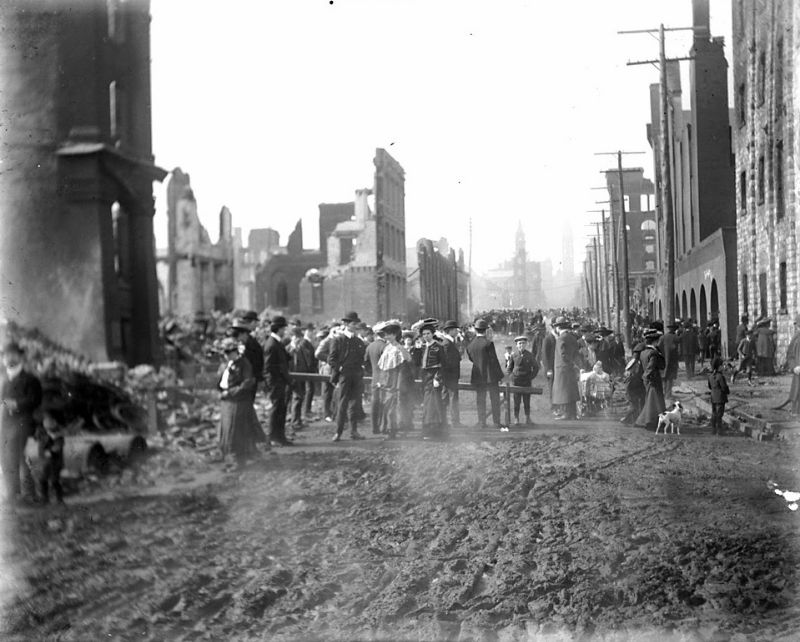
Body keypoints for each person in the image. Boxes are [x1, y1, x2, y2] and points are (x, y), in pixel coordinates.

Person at [1, 341, 42, 503]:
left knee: (15, 452)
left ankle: (28, 493)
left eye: (12, 354)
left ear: (20, 357)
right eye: (6, 355)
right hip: (5, 422)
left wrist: (17, 404)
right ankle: (14, 493)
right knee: (5, 456)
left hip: (23, 421)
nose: (8, 358)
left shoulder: (30, 379)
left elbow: (36, 399)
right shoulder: (5, 380)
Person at [218, 337, 260, 467]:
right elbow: (220, 380)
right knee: (226, 431)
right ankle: (229, 457)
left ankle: (239, 460)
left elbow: (247, 382)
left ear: (234, 352)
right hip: (227, 402)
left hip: (239, 402)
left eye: (228, 353)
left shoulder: (244, 363)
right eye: (224, 353)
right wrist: (221, 391)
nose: (225, 356)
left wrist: (230, 392)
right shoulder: (227, 364)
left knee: (236, 431)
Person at [328, 311, 367, 441]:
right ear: (346, 324)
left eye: (356, 323)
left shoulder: (358, 341)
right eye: (353, 323)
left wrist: (361, 368)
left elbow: (362, 358)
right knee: (342, 404)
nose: (356, 325)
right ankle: (338, 432)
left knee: (354, 404)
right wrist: (339, 368)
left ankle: (353, 432)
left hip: (356, 376)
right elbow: (331, 359)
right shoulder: (338, 340)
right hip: (344, 376)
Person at [375, 321, 411, 440]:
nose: (386, 337)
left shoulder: (399, 349)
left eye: (389, 334)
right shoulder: (387, 348)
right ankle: (390, 429)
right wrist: (382, 380)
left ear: (395, 335)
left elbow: (404, 367)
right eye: (385, 334)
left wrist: (399, 385)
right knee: (387, 407)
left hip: (397, 382)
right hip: (388, 382)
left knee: (397, 407)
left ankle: (397, 430)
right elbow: (384, 367)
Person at [467, 319, 505, 429]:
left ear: (475, 329)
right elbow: (494, 360)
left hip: (478, 376)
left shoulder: (470, 345)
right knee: (495, 399)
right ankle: (496, 422)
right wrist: (500, 375)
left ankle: (481, 422)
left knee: (480, 399)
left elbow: (471, 359)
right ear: (486, 330)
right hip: (490, 376)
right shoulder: (488, 344)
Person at [263, 316, 293, 447]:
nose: (285, 331)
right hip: (276, 382)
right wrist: (274, 384)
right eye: (283, 328)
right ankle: (273, 437)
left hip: (280, 382)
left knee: (281, 409)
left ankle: (280, 437)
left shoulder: (277, 343)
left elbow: (285, 359)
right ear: (279, 329)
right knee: (276, 410)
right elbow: (268, 368)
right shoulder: (272, 344)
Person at [417, 321, 445, 440]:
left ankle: (435, 431)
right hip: (425, 377)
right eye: (424, 334)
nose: (426, 336)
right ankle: (428, 429)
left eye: (428, 333)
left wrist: (437, 377)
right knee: (427, 404)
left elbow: (443, 364)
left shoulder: (438, 346)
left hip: (434, 376)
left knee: (434, 404)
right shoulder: (422, 347)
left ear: (432, 334)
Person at [635, 328, 666, 431]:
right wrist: (648, 377)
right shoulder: (653, 353)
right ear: (654, 341)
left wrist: (645, 377)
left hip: (647, 379)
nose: (658, 343)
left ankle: (652, 421)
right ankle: (649, 421)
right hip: (653, 379)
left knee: (651, 400)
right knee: (654, 401)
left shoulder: (643, 352)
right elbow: (652, 368)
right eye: (658, 341)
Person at [32, 408, 65, 504]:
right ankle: (45, 499)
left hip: (55, 461)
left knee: (54, 480)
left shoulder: (58, 433)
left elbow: (59, 445)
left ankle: (59, 499)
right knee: (42, 479)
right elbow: (36, 438)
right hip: (44, 460)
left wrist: (51, 451)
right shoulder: (41, 430)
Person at [287, 326, 316, 429]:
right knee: (295, 399)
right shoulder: (288, 349)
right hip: (291, 378)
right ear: (292, 337)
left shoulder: (300, 348)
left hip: (301, 377)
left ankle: (297, 420)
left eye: (299, 337)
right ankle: (294, 422)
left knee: (299, 399)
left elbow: (305, 362)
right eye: (296, 337)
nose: (298, 339)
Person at [552, 317, 580, 420]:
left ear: (558, 328)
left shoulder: (561, 339)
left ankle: (566, 414)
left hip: (562, 368)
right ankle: (573, 414)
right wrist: (574, 363)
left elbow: (562, 355)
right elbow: (576, 353)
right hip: (571, 367)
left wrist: (568, 362)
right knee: (571, 391)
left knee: (563, 392)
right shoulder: (572, 338)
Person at [506, 335, 538, 425]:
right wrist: (511, 377)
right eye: (519, 343)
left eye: (523, 343)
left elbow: (536, 367)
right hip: (517, 382)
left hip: (526, 381)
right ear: (516, 345)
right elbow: (509, 368)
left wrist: (531, 377)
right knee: (517, 401)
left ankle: (528, 418)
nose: (521, 345)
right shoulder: (514, 355)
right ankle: (516, 418)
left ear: (526, 344)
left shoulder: (530, 355)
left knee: (526, 401)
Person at [364, 324, 387, 435]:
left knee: (374, 403)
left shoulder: (370, 346)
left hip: (374, 377)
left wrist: (373, 372)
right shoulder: (385, 346)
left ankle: (374, 428)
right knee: (383, 402)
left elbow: (366, 363)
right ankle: (382, 426)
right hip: (384, 379)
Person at [439, 320, 462, 428]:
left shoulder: (449, 342)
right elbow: (447, 362)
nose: (457, 331)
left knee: (446, 399)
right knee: (452, 399)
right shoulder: (447, 343)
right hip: (450, 377)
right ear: (451, 331)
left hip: (449, 376)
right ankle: (454, 422)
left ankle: (443, 421)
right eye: (455, 329)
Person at [398, 331, 420, 432]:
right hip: (402, 378)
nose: (409, 341)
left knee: (411, 401)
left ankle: (409, 422)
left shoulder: (416, 350)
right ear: (404, 340)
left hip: (412, 378)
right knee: (402, 402)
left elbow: (417, 364)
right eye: (407, 339)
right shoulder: (400, 350)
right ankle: (402, 422)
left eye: (410, 339)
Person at [620, 343, 646, 425]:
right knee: (635, 405)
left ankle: (633, 420)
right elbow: (637, 374)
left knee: (635, 404)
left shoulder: (633, 361)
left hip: (632, 385)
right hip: (634, 385)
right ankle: (627, 419)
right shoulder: (637, 363)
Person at [314, 326, 336, 422]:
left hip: (332, 369)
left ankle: (332, 412)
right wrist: (330, 360)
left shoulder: (333, 341)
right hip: (327, 370)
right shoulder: (327, 342)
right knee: (327, 393)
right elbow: (318, 355)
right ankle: (327, 413)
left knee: (333, 392)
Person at [782, 315, 800, 415]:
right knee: (797, 393)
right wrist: (794, 367)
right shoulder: (796, 338)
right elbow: (790, 355)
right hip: (798, 371)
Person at [707, 357, 730, 435]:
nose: (723, 367)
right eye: (722, 365)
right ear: (718, 366)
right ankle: (719, 431)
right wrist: (727, 391)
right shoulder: (720, 376)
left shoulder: (710, 376)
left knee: (714, 413)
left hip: (713, 397)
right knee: (719, 414)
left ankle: (713, 429)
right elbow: (724, 387)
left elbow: (709, 387)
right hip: (720, 398)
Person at [658, 322, 681, 400]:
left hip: (664, 360)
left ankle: (664, 393)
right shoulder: (675, 337)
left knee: (664, 377)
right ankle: (668, 395)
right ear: (674, 330)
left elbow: (658, 347)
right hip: (672, 360)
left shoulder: (663, 337)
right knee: (670, 378)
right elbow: (680, 342)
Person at [541, 322, 557, 415]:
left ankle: (556, 404)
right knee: (551, 387)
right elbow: (545, 356)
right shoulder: (548, 339)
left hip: (556, 367)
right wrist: (548, 369)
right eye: (555, 326)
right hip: (550, 368)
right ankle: (553, 405)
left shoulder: (556, 338)